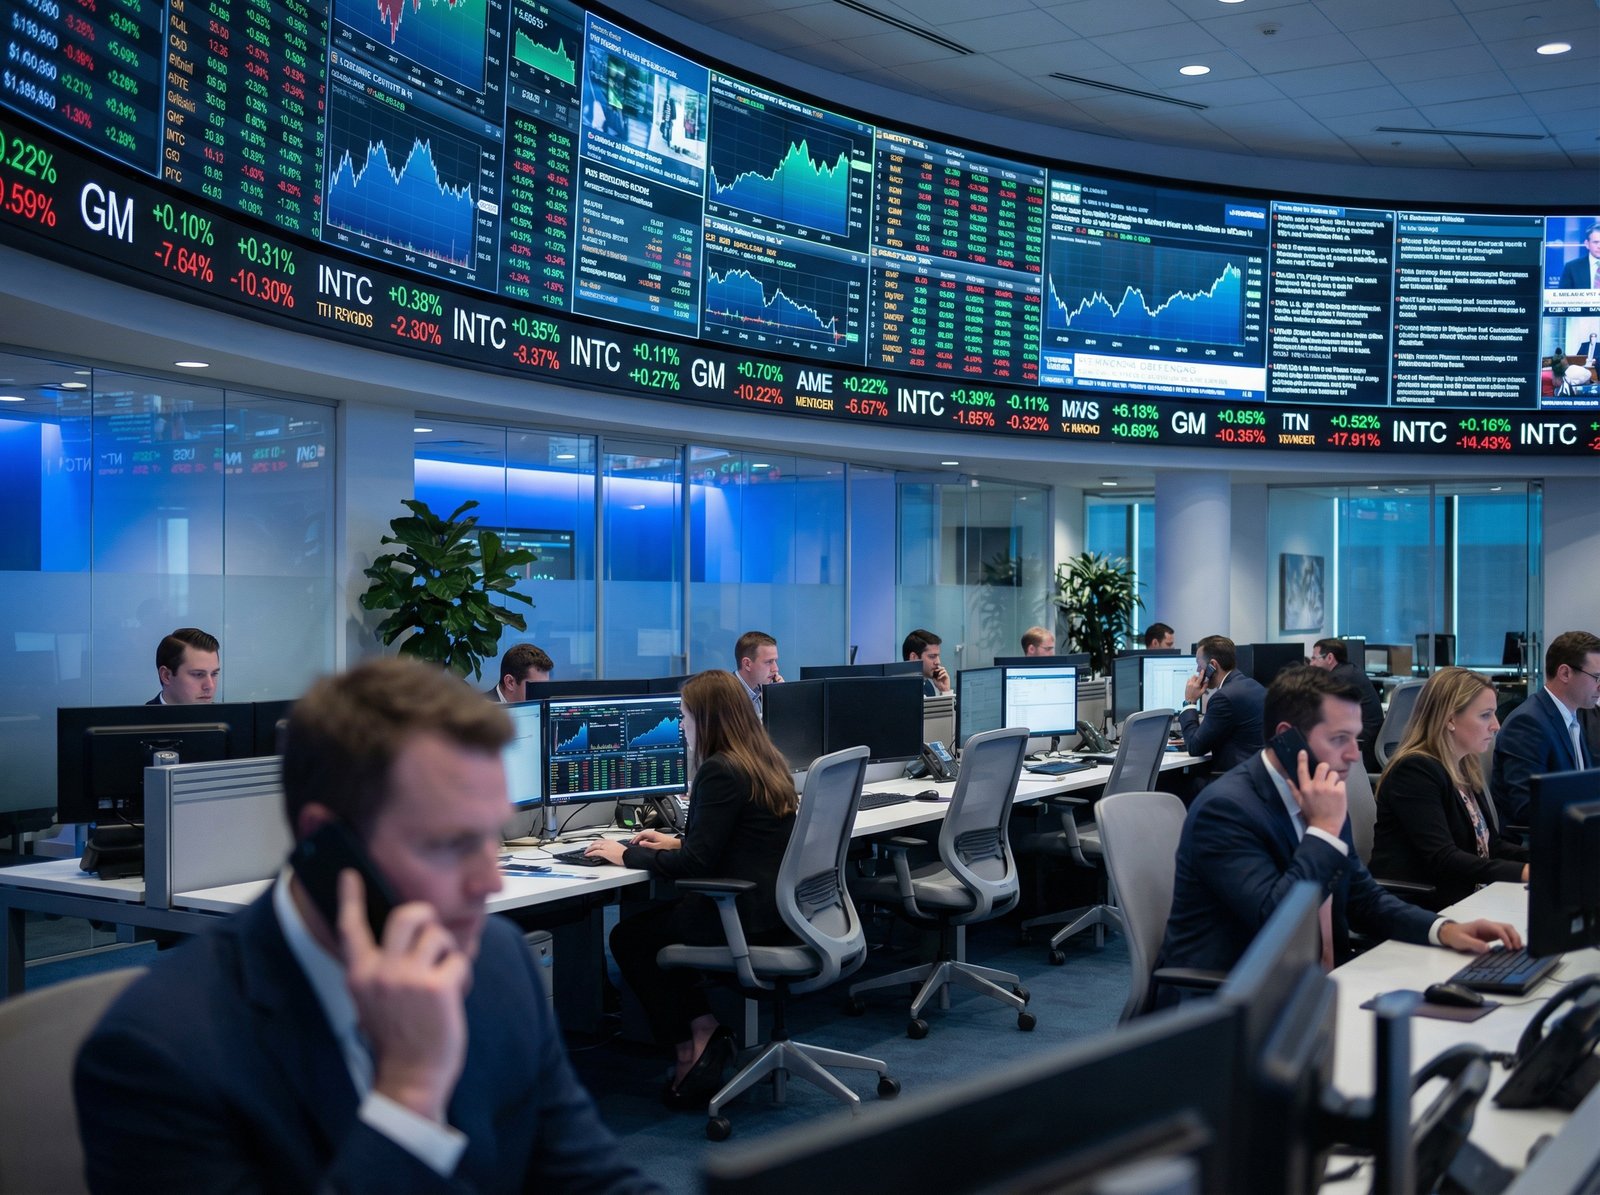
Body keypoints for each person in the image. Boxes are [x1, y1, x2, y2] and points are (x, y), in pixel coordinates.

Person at [76, 657, 654, 1194]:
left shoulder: (495, 963)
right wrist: (407, 1100)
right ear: (326, 842)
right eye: (449, 843)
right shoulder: (162, 1052)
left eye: (488, 835)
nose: (488, 882)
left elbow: (593, 1178)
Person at [1158, 667, 1520, 979]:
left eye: (1356, 738)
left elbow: (1364, 899)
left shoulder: (1321, 792)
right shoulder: (1226, 810)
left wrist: (1444, 930)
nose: (1353, 755)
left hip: (1319, 988)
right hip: (1231, 1007)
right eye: (1339, 739)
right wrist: (1323, 832)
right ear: (1286, 736)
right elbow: (1278, 923)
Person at [590, 670, 796, 1109]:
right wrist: (675, 840)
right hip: (778, 908)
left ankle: (696, 1037)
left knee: (630, 938)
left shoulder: (720, 770)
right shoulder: (764, 759)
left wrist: (623, 854)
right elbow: (735, 839)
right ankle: (701, 1031)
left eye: (684, 716)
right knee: (661, 925)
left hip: (742, 913)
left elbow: (696, 865)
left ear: (707, 719)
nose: (681, 726)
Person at [1371, 668, 1528, 910]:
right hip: (1423, 908)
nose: (1496, 726)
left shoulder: (1463, 765)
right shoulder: (1415, 771)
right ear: (1450, 719)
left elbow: (1491, 846)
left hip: (1466, 897)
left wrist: (1545, 858)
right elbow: (1443, 859)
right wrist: (1524, 872)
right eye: (1486, 715)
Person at [1491, 630, 1600, 828]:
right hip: (1538, 845)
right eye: (1596, 677)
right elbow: (1527, 808)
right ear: (1565, 673)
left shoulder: (1575, 717)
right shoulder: (1528, 723)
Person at [1177, 635, 1266, 776]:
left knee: (1171, 781)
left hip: (1234, 779)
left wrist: (1189, 702)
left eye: (1199, 665)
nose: (1197, 670)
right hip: (1255, 773)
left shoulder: (1223, 697)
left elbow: (1195, 747)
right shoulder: (1253, 685)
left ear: (1213, 665)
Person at [1308, 637, 1384, 773]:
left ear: (1329, 658)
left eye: (1314, 658)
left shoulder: (1338, 678)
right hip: (1370, 739)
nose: (1311, 664)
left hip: (1362, 744)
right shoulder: (1350, 670)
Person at [147, 627, 220, 705]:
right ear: (166, 676)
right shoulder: (138, 717)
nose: (210, 686)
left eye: (214, 674)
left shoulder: (227, 716)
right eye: (198, 674)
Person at [733, 630, 783, 714]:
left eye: (775, 661)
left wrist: (778, 697)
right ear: (747, 664)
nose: (776, 669)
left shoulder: (760, 689)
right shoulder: (726, 696)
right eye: (769, 662)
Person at [487, 642, 553, 702]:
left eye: (544, 687)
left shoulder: (543, 709)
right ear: (510, 682)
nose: (543, 697)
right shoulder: (479, 712)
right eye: (535, 688)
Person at [903, 628, 950, 695]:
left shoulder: (928, 686)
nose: (938, 662)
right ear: (913, 657)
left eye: (938, 656)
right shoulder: (900, 691)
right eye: (932, 656)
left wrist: (945, 690)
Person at [1558, 224, 1600, 289]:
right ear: (1587, 244)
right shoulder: (1571, 267)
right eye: (1595, 242)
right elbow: (1562, 297)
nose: (1599, 246)